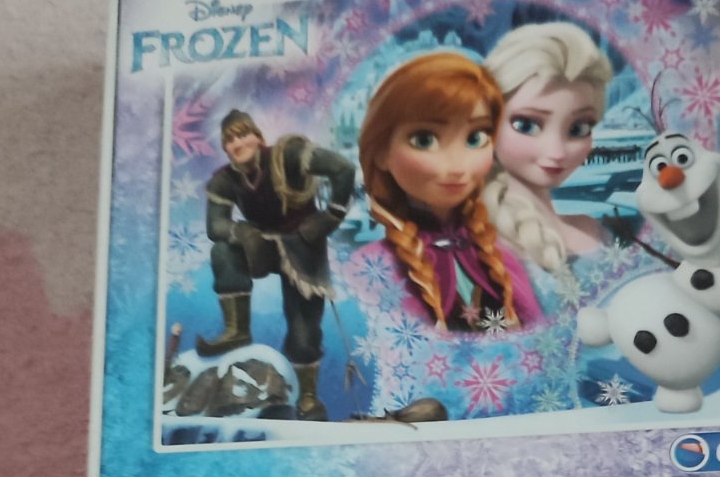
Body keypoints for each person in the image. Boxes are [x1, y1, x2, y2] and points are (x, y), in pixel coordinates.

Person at [357, 53, 542, 332]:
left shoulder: (500, 260)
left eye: (475, 137)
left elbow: (542, 342)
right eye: (424, 140)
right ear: (381, 151)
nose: (457, 166)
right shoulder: (373, 269)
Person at [199, 109, 355, 420]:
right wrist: (241, 232)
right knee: (223, 251)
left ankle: (308, 398)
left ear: (258, 138)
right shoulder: (224, 180)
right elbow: (215, 226)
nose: (237, 143)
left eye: (243, 134)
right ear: (225, 148)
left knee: (303, 329)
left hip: (302, 247)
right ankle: (237, 329)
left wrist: (332, 215)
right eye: (229, 140)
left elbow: (343, 168)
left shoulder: (288, 155)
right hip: (261, 246)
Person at [483, 22, 614, 269]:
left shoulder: (594, 229)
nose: (557, 152)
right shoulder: (473, 246)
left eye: (578, 129)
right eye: (526, 125)